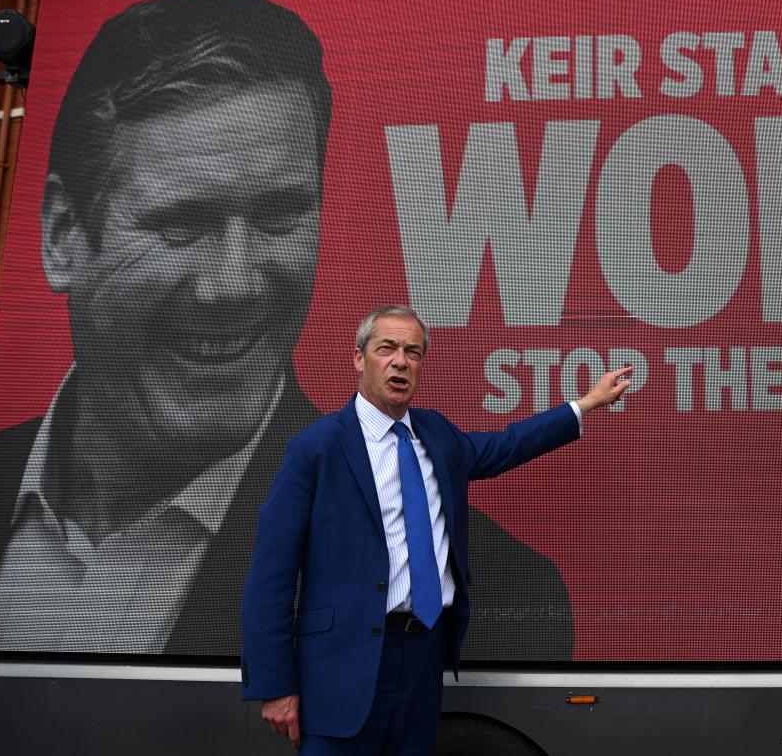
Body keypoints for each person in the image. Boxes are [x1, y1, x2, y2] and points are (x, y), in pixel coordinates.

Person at [0, 0, 572, 658]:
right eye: (182, 223)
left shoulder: (487, 580)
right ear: (62, 234)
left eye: (280, 215)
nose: (235, 285)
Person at [240, 305, 631, 753]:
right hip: (342, 665)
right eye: (386, 348)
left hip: (423, 656)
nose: (400, 361)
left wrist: (586, 404)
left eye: (413, 352)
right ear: (358, 358)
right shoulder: (316, 448)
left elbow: (506, 446)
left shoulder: (437, 436)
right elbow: (270, 575)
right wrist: (275, 685)